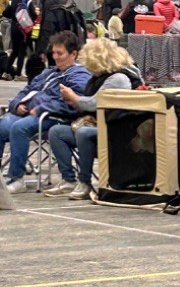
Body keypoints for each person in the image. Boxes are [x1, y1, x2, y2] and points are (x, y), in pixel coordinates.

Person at [46, 40, 142, 200]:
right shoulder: (99, 77)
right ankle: (68, 179)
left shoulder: (118, 78)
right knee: (56, 132)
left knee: (83, 133)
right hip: (99, 126)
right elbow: (90, 104)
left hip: (117, 130)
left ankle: (84, 182)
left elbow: (95, 103)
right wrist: (73, 102)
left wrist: (74, 97)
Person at [0, 30, 90, 193]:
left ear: (73, 54)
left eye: (60, 53)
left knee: (19, 128)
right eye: (53, 53)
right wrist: (17, 104)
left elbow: (73, 104)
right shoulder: (49, 72)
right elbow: (27, 89)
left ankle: (16, 178)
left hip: (53, 117)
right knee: (2, 125)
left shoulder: (79, 75)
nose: (55, 57)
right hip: (29, 112)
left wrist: (42, 108)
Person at [5, 0, 35, 79]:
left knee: (14, 51)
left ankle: (7, 72)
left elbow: (5, 13)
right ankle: (18, 74)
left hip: (14, 28)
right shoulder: (28, 2)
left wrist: (14, 18)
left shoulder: (12, 2)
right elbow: (34, 15)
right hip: (24, 30)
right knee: (22, 51)